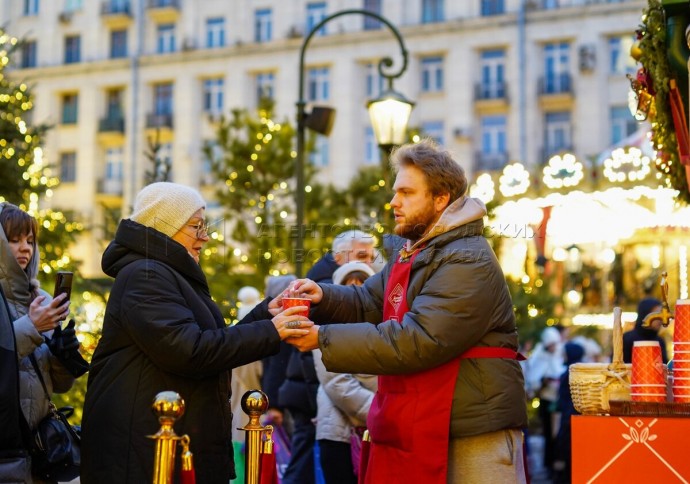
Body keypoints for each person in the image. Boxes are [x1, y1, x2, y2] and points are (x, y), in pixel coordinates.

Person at [280, 139, 528, 483]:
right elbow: (368, 301)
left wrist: (322, 338)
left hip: (472, 434)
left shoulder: (467, 257)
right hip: (428, 423)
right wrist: (322, 296)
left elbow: (418, 340)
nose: (394, 202)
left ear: (441, 198)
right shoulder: (415, 250)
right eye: (396, 191)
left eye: (407, 193)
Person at [81, 182, 312, 484]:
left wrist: (265, 314)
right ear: (166, 227)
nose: (205, 236)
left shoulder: (166, 274)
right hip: (146, 453)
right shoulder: (145, 275)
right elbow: (189, 350)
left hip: (171, 442)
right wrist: (270, 330)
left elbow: (208, 344)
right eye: (195, 226)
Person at [0, 202, 87, 483]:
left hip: (40, 450)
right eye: (13, 240)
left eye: (29, 240)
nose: (25, 248)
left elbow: (58, 387)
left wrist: (63, 355)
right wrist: (32, 328)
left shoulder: (40, 301)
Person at [280, 231, 377, 484]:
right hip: (339, 427)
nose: (367, 261)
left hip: (369, 425)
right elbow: (334, 381)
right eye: (361, 255)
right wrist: (378, 410)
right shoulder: (324, 310)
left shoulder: (381, 318)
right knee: (304, 467)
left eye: (371, 257)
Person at [314, 261, 377, 484]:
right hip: (339, 433)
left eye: (362, 289)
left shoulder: (382, 329)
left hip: (375, 432)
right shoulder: (324, 330)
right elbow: (337, 384)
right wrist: (379, 411)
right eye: (348, 290)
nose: (354, 298)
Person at [230, 285, 264, 483]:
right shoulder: (254, 351)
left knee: (238, 449)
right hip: (251, 406)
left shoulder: (233, 345)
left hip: (235, 406)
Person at [524, 326, 564, 478]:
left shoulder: (558, 354)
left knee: (556, 434)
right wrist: (543, 381)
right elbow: (534, 378)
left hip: (557, 400)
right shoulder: (540, 356)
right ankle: (549, 465)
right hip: (547, 401)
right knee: (548, 433)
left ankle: (555, 463)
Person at [554, 341, 585, 484]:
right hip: (578, 418)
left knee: (568, 455)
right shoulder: (581, 371)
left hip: (569, 419)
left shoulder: (569, 373)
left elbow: (564, 399)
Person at [622, 297, 669, 364]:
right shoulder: (627, 339)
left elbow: (664, 368)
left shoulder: (660, 341)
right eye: (655, 315)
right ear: (645, 315)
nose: (660, 319)